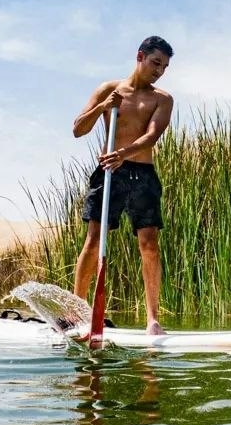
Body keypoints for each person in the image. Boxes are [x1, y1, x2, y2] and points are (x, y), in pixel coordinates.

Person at [72, 35, 175, 334]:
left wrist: (123, 154)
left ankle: (152, 320)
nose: (159, 71)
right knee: (93, 241)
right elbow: (78, 129)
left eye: (165, 67)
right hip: (109, 174)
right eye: (156, 63)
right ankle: (77, 312)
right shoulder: (109, 89)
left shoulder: (162, 99)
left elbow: (152, 136)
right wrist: (104, 105)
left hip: (142, 175)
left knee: (150, 245)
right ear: (140, 56)